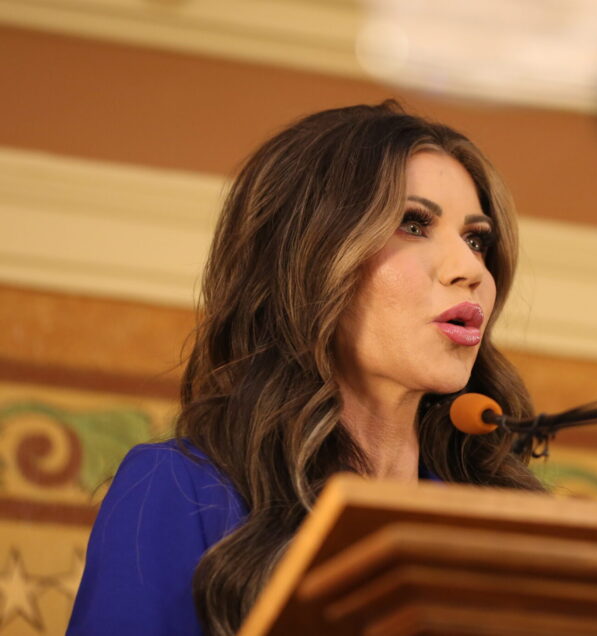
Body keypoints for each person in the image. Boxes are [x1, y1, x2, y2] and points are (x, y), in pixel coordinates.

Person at [67, 101, 544, 636]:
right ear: (311, 258)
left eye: (476, 239)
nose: (471, 269)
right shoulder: (183, 490)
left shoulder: (499, 521)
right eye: (413, 223)